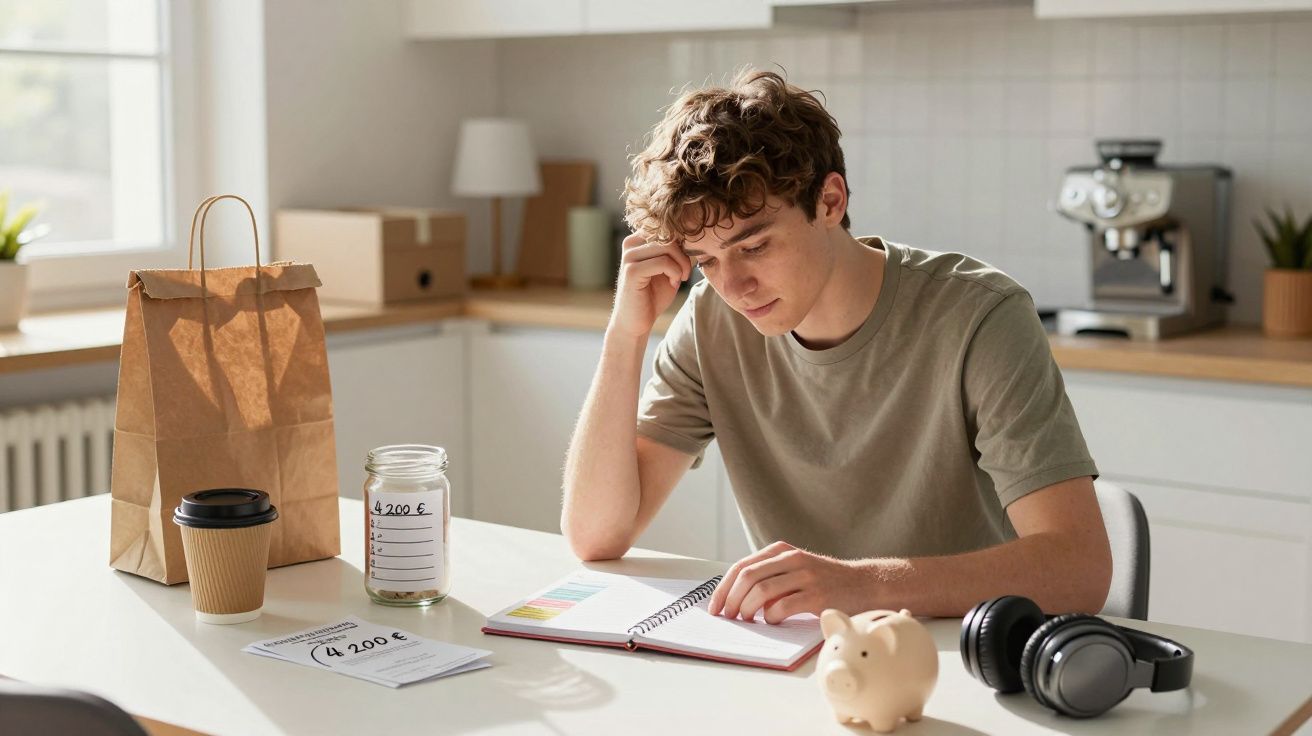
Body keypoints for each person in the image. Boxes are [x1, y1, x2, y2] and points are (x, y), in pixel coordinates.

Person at [561, 69, 1111, 624]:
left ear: (828, 201)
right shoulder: (709, 323)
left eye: (753, 246)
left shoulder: (979, 317)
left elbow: (1078, 569)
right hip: (800, 656)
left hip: (955, 653)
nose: (732, 287)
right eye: (705, 261)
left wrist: (857, 585)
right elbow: (596, 536)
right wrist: (625, 335)